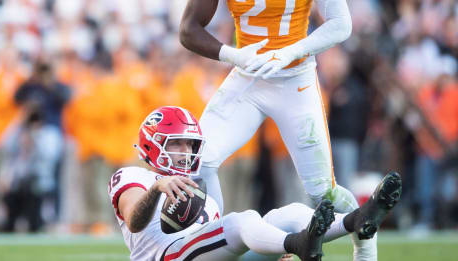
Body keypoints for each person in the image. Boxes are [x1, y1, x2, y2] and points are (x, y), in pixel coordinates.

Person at [178, 0, 376, 260]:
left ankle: (366, 252)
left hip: (296, 81)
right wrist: (235, 55)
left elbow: (341, 24)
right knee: (200, 162)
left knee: (324, 192)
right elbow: (188, 30)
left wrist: (289, 51)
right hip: (248, 78)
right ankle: (218, 246)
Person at [111, 106, 402, 261]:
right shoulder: (135, 177)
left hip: (200, 255)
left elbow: (216, 244)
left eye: (190, 145)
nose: (186, 152)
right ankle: (297, 243)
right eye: (177, 144)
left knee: (289, 213)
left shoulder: (201, 189)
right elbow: (135, 221)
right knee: (241, 221)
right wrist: (155, 190)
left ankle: (355, 220)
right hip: (166, 256)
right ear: (153, 144)